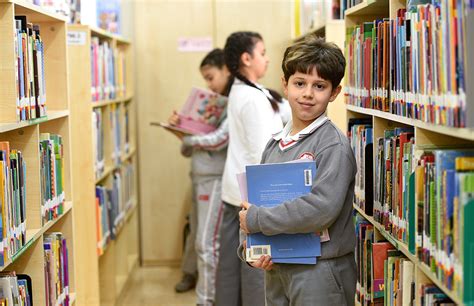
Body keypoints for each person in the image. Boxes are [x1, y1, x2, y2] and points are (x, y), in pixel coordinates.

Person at [238, 36, 357, 306]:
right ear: (285, 84)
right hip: (278, 267)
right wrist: (252, 247)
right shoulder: (274, 144)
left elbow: (321, 208)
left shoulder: (333, 145)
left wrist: (257, 220)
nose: (307, 94)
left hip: (320, 272)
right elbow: (254, 201)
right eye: (300, 83)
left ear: (334, 93)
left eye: (319, 86)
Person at [215, 31, 284, 306]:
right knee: (256, 265)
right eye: (263, 53)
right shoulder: (253, 98)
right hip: (251, 193)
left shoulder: (246, 90)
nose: (267, 59)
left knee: (234, 264)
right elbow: (261, 152)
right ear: (246, 58)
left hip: (235, 188)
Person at [167, 48, 232, 306]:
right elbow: (188, 148)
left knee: (208, 240)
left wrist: (190, 139)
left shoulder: (233, 103)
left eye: (210, 77)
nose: (209, 84)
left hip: (215, 177)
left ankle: (207, 298)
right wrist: (180, 131)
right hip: (198, 174)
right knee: (197, 231)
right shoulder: (214, 104)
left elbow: (218, 141)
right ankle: (192, 276)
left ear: (226, 69)